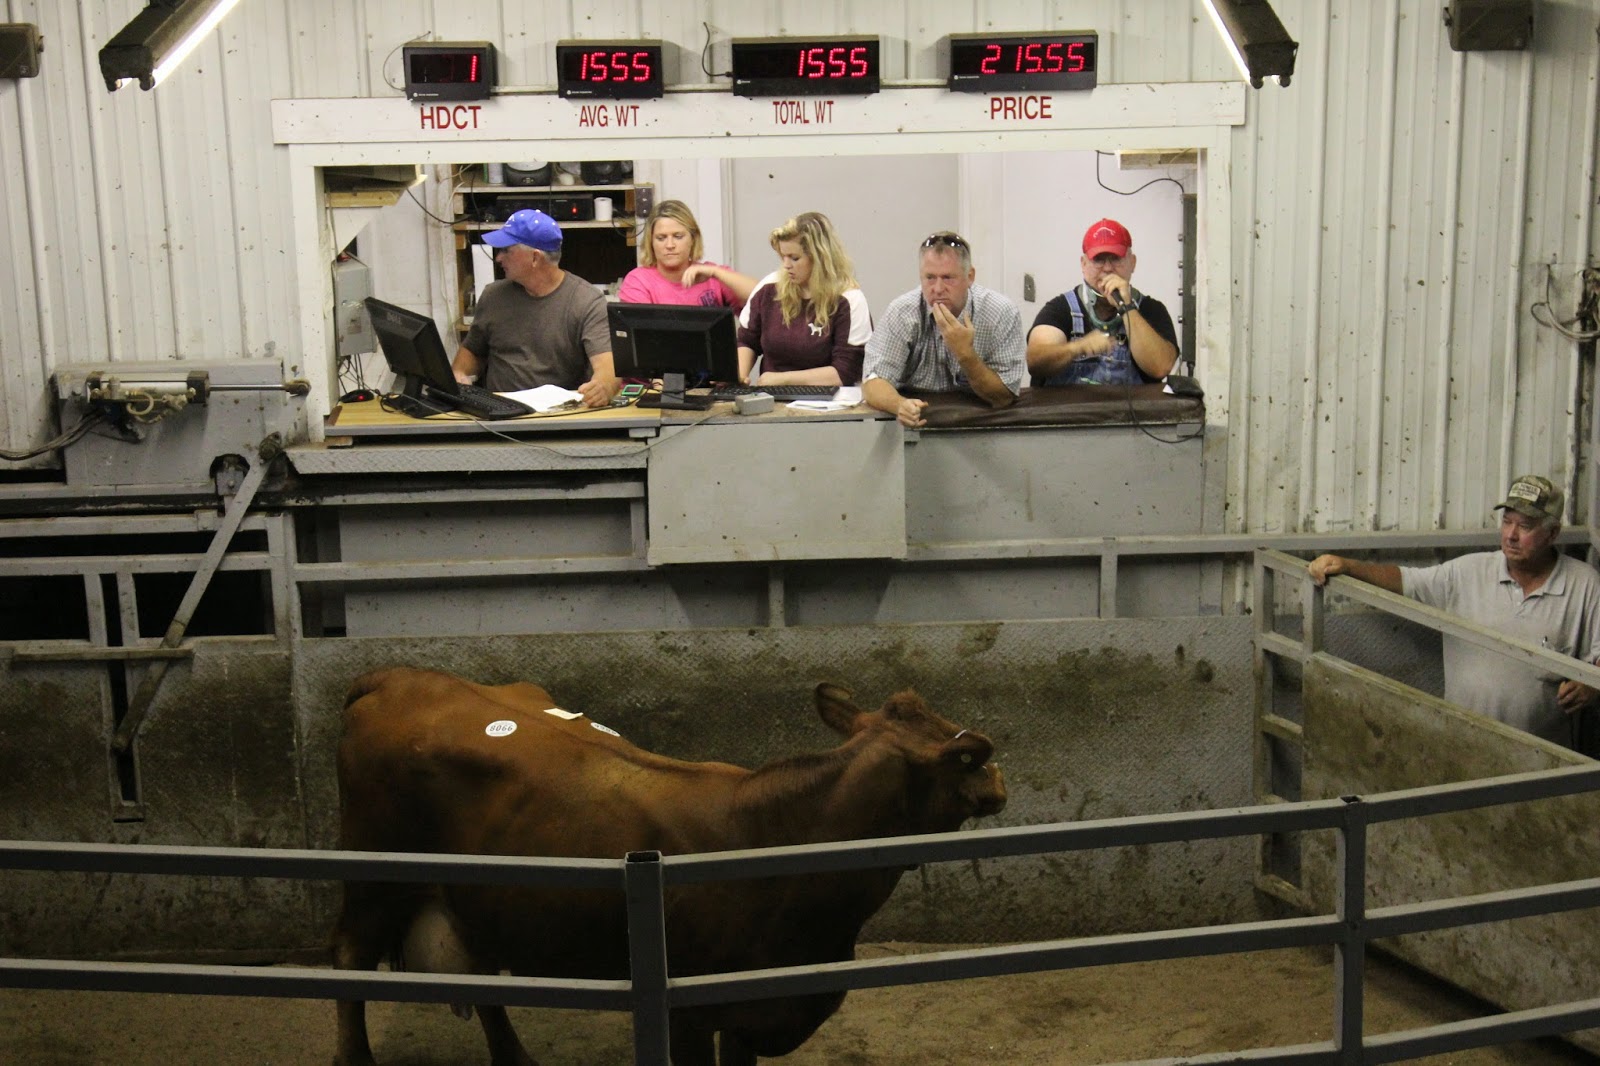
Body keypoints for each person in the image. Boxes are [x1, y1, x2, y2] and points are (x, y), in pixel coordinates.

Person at [1308, 474, 1600, 747]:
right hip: (1464, 743)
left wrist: (1591, 686)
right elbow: (1408, 580)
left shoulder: (1584, 584)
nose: (1511, 535)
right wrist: (1349, 566)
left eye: (1525, 526)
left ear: (1552, 533)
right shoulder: (1469, 572)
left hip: (1543, 752)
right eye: (1506, 522)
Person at [451, 209, 619, 408]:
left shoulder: (587, 302)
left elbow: (608, 366)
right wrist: (459, 374)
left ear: (535, 258)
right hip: (497, 412)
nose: (499, 258)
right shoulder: (493, 296)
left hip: (558, 414)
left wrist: (603, 387)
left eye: (506, 250)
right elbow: (472, 351)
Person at [862, 232, 1025, 428]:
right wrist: (900, 405)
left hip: (981, 427)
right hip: (915, 425)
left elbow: (1004, 397)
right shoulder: (902, 312)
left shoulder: (1001, 313)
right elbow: (872, 383)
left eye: (948, 278)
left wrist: (965, 354)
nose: (938, 289)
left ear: (970, 276)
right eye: (930, 278)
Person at [1026, 218, 1179, 386]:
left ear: (1132, 263)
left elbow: (1160, 367)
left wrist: (1127, 308)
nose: (1107, 268)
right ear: (1083, 264)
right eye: (1098, 259)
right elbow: (1035, 361)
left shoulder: (1151, 310)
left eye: (1115, 258)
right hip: (1069, 404)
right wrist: (1077, 348)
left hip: (1129, 405)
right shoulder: (1060, 308)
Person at [736, 212, 870, 387]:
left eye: (794, 258)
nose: (786, 265)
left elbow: (846, 371)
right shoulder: (769, 287)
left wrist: (782, 379)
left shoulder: (850, 299)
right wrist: (738, 377)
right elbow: (747, 340)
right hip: (771, 397)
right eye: (783, 256)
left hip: (831, 400)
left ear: (819, 257)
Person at [618, 200, 757, 308]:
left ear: (693, 239)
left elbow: (763, 297)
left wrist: (716, 272)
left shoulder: (712, 275)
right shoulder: (639, 281)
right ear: (651, 242)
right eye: (661, 238)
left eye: (678, 237)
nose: (670, 245)